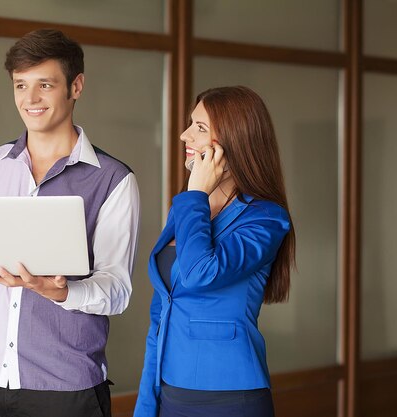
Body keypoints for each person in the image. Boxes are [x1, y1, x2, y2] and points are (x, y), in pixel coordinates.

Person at [0, 29, 140, 417]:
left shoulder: (113, 180)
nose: (30, 99)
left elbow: (117, 291)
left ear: (75, 86)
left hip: (64, 388)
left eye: (45, 84)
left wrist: (58, 292)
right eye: (20, 85)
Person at [134, 86, 295, 417]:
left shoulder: (266, 218)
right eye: (190, 124)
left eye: (200, 128)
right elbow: (160, 315)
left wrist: (196, 193)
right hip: (169, 390)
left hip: (230, 396)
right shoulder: (189, 207)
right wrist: (146, 406)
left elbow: (199, 274)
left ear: (235, 141)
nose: (184, 135)